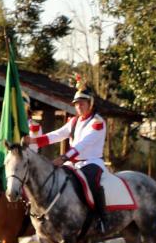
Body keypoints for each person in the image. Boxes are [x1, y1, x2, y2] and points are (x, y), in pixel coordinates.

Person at [24, 77, 108, 232]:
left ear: (91, 103)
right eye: (77, 104)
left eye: (82, 103)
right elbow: (57, 135)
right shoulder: (75, 121)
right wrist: (32, 141)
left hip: (92, 162)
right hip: (73, 163)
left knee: (92, 183)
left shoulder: (98, 122)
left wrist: (63, 158)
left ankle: (101, 219)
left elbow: (82, 144)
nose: (79, 106)